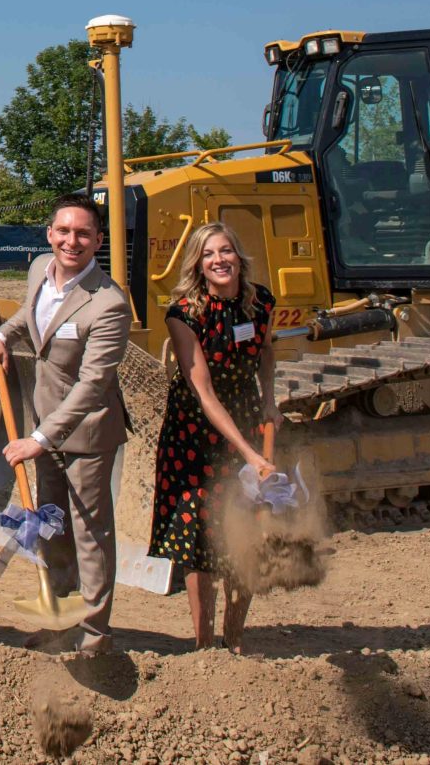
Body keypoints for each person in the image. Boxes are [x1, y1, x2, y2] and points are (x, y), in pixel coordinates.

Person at [0, 192, 133, 656]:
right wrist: (1, 335)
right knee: (53, 526)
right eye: (63, 231)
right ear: (49, 234)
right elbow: (30, 315)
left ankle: (94, 635)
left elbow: (93, 385)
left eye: (83, 233)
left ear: (99, 240)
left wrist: (40, 439)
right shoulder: (39, 270)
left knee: (90, 533)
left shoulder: (108, 303)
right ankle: (60, 619)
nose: (72, 241)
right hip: (43, 425)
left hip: (86, 433)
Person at [147, 222, 279, 653]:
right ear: (198, 265)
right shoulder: (184, 314)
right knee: (199, 536)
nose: (219, 260)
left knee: (244, 531)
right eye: (208, 254)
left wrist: (270, 401)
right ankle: (204, 645)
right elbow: (203, 392)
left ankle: (234, 639)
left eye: (225, 251)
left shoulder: (261, 302)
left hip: (245, 414)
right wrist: (250, 455)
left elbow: (266, 351)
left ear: (238, 256)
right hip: (194, 432)